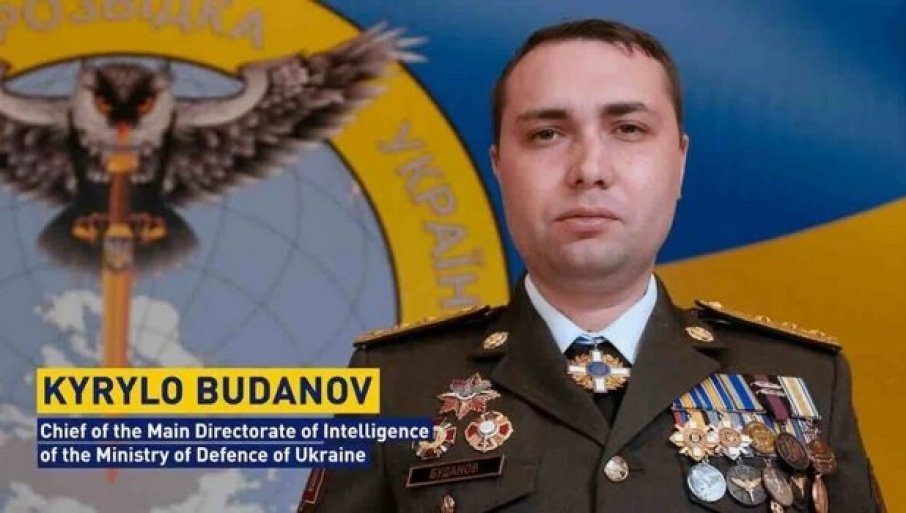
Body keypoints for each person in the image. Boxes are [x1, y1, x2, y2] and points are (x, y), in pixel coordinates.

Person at [298, 19, 884, 513]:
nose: (589, 170)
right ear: (500, 167)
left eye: (628, 129)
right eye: (547, 133)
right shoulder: (392, 384)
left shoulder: (807, 380)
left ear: (679, 162)